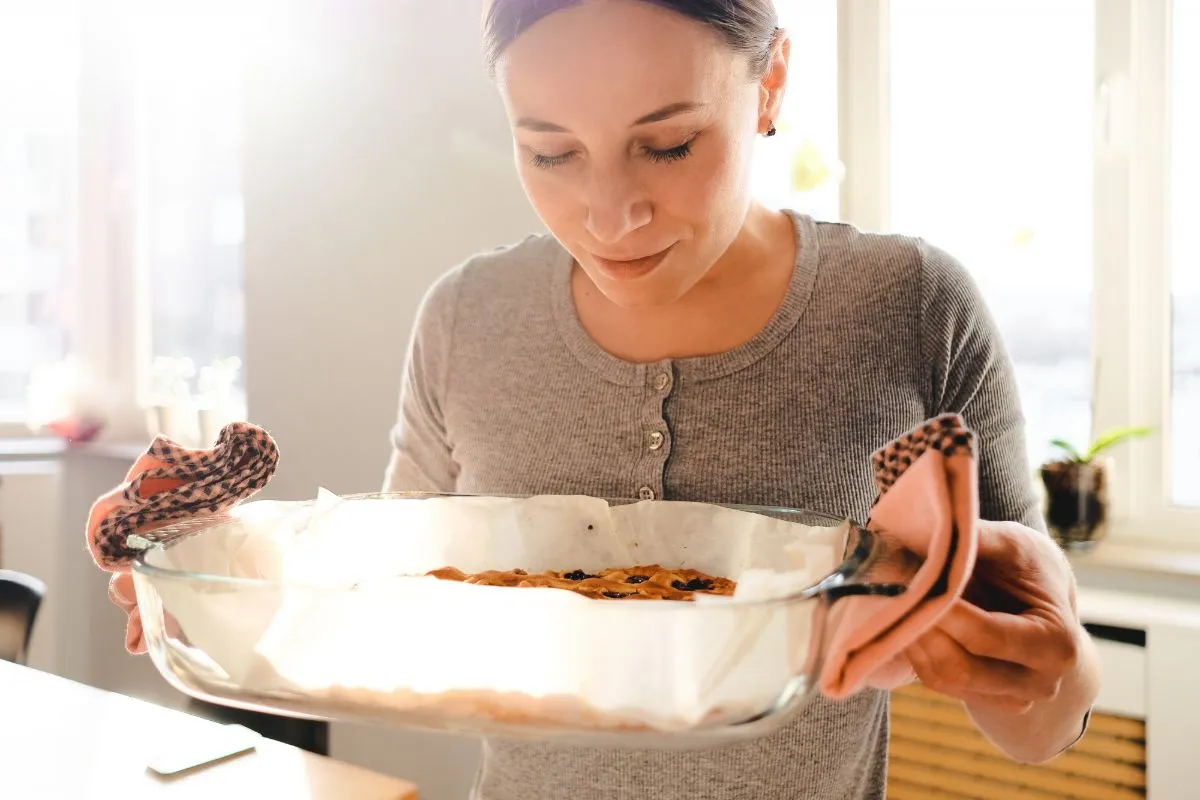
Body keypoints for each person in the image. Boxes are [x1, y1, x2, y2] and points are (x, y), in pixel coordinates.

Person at [383, 1, 1102, 797]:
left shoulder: (912, 307)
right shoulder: (465, 318)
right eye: (551, 153)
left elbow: (1039, 724)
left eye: (667, 145)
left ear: (771, 84)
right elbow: (395, 611)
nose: (610, 218)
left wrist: (1055, 670)